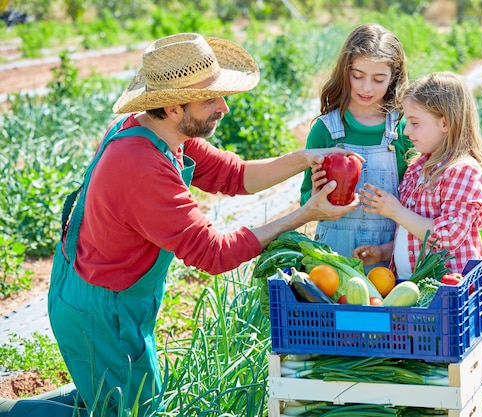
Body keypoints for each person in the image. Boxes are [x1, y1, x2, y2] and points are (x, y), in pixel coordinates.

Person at [0, 33, 360, 417]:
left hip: (109, 292)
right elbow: (214, 254)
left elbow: (233, 174)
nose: (223, 107)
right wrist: (304, 216)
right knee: (132, 411)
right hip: (101, 310)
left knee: (124, 397)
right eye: (210, 99)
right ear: (172, 106)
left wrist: (306, 158)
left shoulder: (163, 132)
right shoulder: (142, 168)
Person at [353, 71, 482, 279]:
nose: (407, 131)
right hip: (409, 287)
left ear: (445, 124)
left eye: (415, 123)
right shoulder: (419, 167)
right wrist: (383, 252)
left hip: (444, 292)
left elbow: (447, 237)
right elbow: (414, 235)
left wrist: (395, 211)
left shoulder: (462, 171)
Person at [299, 23, 412, 274]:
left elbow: (415, 203)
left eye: (378, 79)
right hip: (333, 261)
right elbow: (305, 200)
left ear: (393, 76)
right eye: (357, 76)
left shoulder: (404, 130)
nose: (366, 88)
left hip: (390, 259)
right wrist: (317, 197)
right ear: (344, 71)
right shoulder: (325, 130)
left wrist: (388, 247)